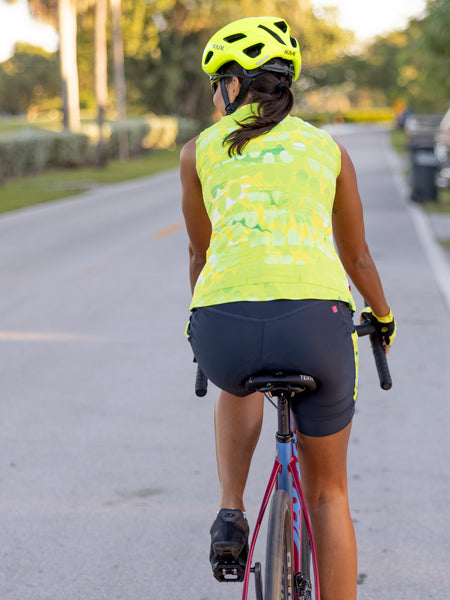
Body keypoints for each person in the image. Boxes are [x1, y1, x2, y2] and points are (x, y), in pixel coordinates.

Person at [180, 16, 396, 600]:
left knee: (238, 381)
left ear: (233, 84)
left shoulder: (198, 151)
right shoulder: (328, 149)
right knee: (329, 493)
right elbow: (357, 256)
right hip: (318, 326)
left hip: (222, 324)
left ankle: (231, 507)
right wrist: (381, 315)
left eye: (217, 84)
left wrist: (202, 317)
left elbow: (201, 253)